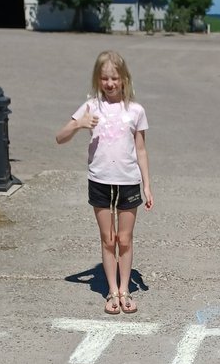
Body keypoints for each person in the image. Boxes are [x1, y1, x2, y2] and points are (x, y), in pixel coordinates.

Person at [56, 51, 153, 314]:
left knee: (125, 239)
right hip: (100, 181)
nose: (110, 83)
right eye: (104, 78)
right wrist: (79, 124)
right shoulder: (91, 107)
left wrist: (147, 185)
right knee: (108, 239)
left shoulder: (135, 110)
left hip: (128, 182)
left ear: (124, 79)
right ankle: (112, 291)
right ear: (97, 79)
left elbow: (141, 150)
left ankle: (125, 289)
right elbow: (60, 138)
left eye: (115, 78)